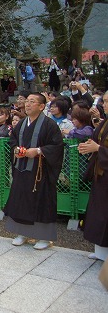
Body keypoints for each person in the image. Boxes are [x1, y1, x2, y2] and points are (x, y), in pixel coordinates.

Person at [4, 93, 64, 250]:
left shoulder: (50, 125)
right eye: (27, 101)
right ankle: (21, 233)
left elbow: (57, 147)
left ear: (42, 106)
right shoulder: (22, 123)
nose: (27, 104)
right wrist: (17, 149)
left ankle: (44, 237)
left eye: (32, 102)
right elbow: (13, 141)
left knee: (42, 201)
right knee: (20, 200)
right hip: (22, 169)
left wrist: (37, 151)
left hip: (40, 173)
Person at [79, 91, 108, 261]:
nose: (104, 104)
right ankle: (101, 251)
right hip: (101, 175)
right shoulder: (104, 122)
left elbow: (99, 147)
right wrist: (90, 146)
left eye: (107, 101)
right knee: (99, 214)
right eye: (104, 101)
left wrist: (98, 149)